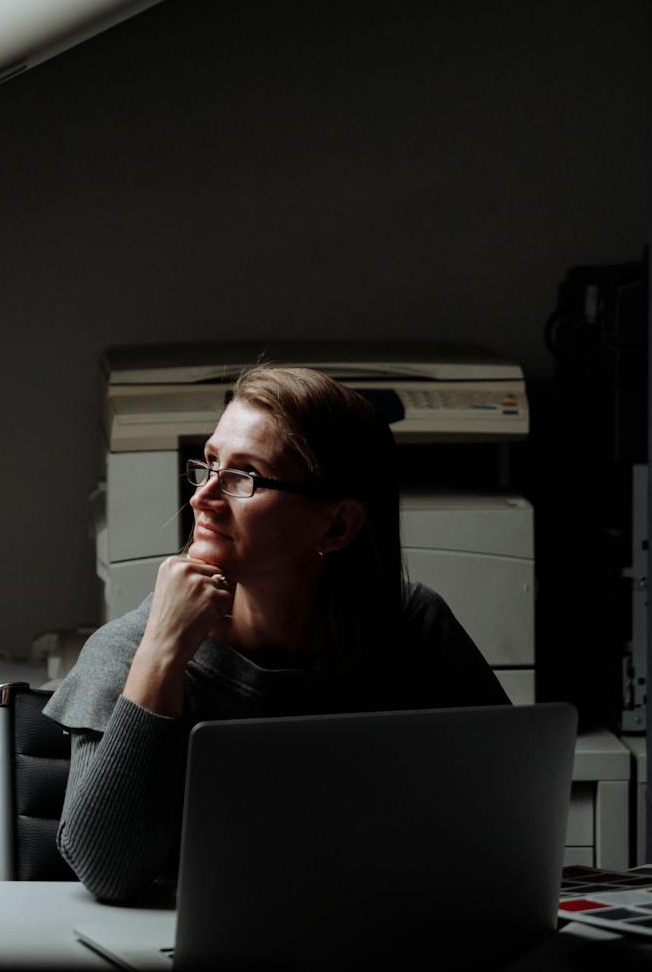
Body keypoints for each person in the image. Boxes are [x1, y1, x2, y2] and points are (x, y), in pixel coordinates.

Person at [44, 364, 506, 903]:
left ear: (335, 527)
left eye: (244, 478)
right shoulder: (129, 650)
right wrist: (162, 653)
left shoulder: (415, 631)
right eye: (209, 464)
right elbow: (105, 869)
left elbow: (507, 818)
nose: (203, 497)